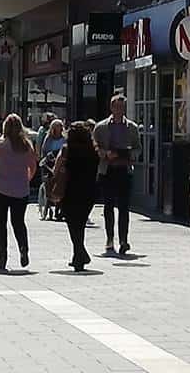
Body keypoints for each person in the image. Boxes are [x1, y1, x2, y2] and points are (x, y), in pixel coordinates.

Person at [0, 113, 37, 271]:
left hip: (0, 188)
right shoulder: (26, 145)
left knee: (1, 224)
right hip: (21, 189)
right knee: (18, 222)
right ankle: (23, 248)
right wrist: (27, 179)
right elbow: (33, 166)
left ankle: (2, 258)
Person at [93, 94, 140, 255]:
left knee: (124, 207)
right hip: (108, 170)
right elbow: (95, 147)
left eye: (122, 107)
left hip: (124, 170)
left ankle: (123, 240)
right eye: (117, 107)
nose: (120, 110)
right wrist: (106, 153)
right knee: (108, 207)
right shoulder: (101, 127)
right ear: (111, 108)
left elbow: (137, 147)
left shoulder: (132, 127)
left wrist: (132, 154)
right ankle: (109, 239)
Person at [51, 122, 99, 271]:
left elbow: (56, 168)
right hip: (88, 191)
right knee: (81, 223)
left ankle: (80, 252)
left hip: (70, 191)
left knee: (73, 224)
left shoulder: (66, 149)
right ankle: (78, 254)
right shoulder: (93, 150)